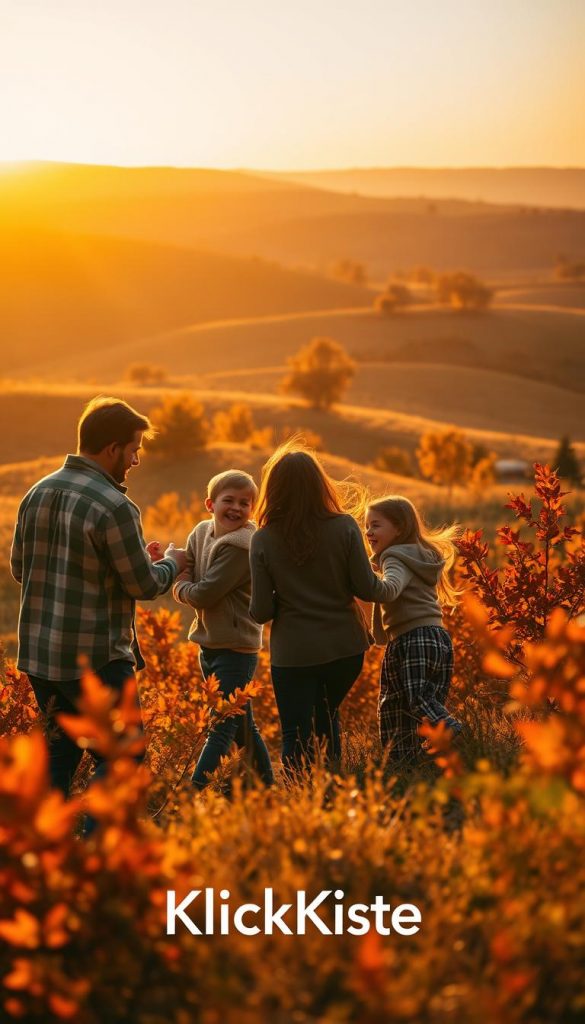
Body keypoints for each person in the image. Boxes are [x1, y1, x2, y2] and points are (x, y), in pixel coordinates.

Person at [9, 396, 187, 800]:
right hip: (96, 659)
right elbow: (144, 586)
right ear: (112, 449)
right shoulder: (115, 506)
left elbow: (21, 569)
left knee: (62, 749)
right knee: (124, 756)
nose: (136, 460)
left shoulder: (36, 493)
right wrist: (173, 563)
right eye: (134, 449)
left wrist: (136, 561)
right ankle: (96, 844)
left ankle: (42, 848)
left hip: (40, 657)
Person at [249, 442, 390, 778]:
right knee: (326, 721)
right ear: (320, 483)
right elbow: (367, 589)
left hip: (294, 653)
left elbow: (261, 612)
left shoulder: (263, 539)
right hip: (346, 649)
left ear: (274, 488)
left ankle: (302, 806)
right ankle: (333, 793)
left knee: (295, 735)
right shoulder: (344, 527)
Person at [169, 469, 273, 791]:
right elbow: (188, 563)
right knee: (243, 726)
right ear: (210, 504)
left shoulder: (241, 546)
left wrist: (178, 582)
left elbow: (203, 592)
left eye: (245, 503)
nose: (237, 508)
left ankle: (193, 792)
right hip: (211, 644)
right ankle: (268, 790)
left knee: (223, 725)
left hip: (236, 647)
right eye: (229, 500)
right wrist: (168, 560)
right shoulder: (202, 532)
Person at [365, 495, 461, 767]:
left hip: (412, 637)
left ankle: (449, 732)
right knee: (411, 703)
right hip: (436, 637)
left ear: (399, 528)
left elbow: (390, 589)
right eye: (366, 526)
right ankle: (411, 763)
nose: (368, 532)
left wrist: (366, 579)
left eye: (375, 525)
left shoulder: (394, 557)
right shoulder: (418, 555)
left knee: (409, 701)